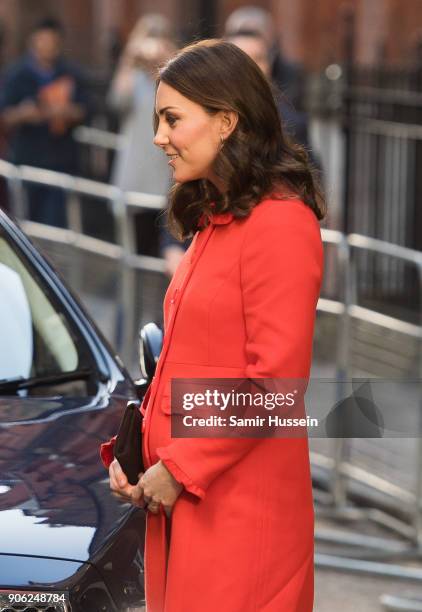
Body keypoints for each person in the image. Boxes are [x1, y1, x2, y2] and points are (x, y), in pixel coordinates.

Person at [100, 39, 325, 611]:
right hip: (193, 503)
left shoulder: (280, 224)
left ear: (226, 121)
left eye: (172, 119)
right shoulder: (217, 219)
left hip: (241, 517)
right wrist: (141, 456)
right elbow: (191, 360)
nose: (159, 137)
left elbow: (276, 387)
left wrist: (178, 466)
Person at [0, 18, 89, 227]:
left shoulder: (71, 73)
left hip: (61, 161)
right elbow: (5, 115)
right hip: (27, 161)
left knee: (56, 226)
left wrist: (66, 112)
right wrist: (23, 114)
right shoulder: (17, 75)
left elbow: (87, 109)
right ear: (34, 41)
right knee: (26, 224)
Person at [108, 14, 175, 256]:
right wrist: (129, 58)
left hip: (165, 170)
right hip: (136, 171)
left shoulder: (173, 79)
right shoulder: (132, 76)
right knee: (134, 249)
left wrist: (168, 60)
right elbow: (117, 102)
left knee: (163, 246)